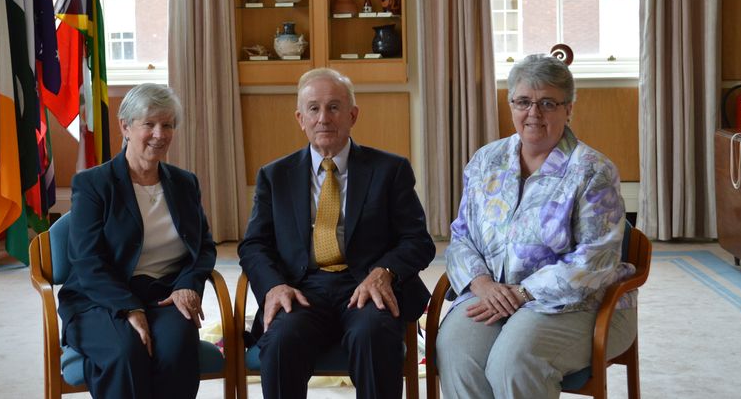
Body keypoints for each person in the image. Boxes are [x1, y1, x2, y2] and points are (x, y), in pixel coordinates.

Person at [436, 54, 638, 399]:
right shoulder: (486, 160)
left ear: (569, 107)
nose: (534, 113)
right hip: (493, 295)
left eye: (548, 103)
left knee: (512, 362)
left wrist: (523, 293)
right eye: (523, 102)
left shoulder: (593, 171)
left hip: (577, 303)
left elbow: (594, 262)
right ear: (510, 104)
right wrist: (481, 283)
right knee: (455, 349)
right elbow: (462, 236)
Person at [238, 68, 436, 399]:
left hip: (366, 286)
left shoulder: (390, 169)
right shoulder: (275, 175)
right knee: (281, 339)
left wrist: (384, 273)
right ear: (300, 118)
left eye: (334, 107)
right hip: (302, 287)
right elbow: (254, 244)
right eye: (313, 109)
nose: (323, 118)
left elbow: (418, 241)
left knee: (373, 335)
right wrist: (273, 287)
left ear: (353, 115)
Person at [58, 83, 216, 399]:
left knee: (175, 351)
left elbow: (204, 248)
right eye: (150, 124)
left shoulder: (184, 183)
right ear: (125, 126)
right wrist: (128, 306)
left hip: (164, 295)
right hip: (99, 299)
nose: (160, 134)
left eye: (168, 124)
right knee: (127, 351)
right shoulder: (93, 184)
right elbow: (86, 260)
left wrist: (188, 284)